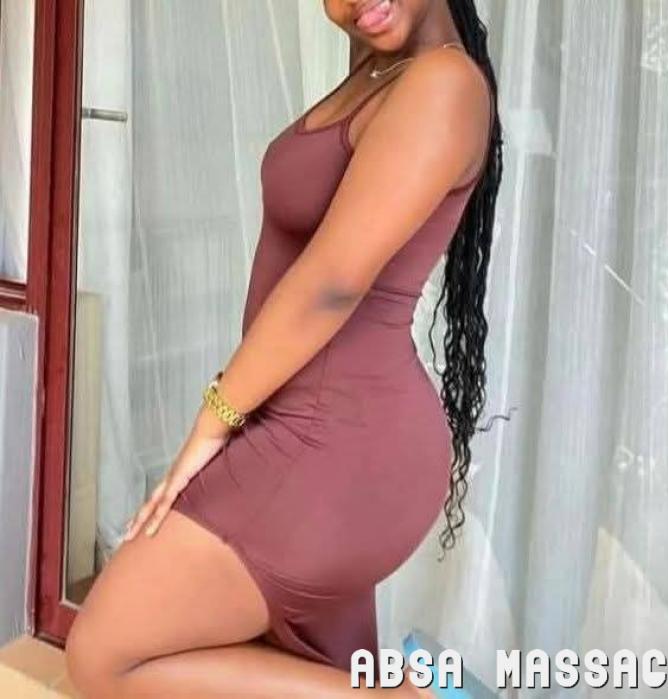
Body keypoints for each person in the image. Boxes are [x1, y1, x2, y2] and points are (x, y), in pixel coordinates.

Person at [65, 0, 503, 696]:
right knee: (300, 670)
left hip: (336, 442)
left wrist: (214, 419)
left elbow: (331, 285)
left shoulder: (443, 83)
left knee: (106, 655)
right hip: (314, 428)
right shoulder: (382, 68)